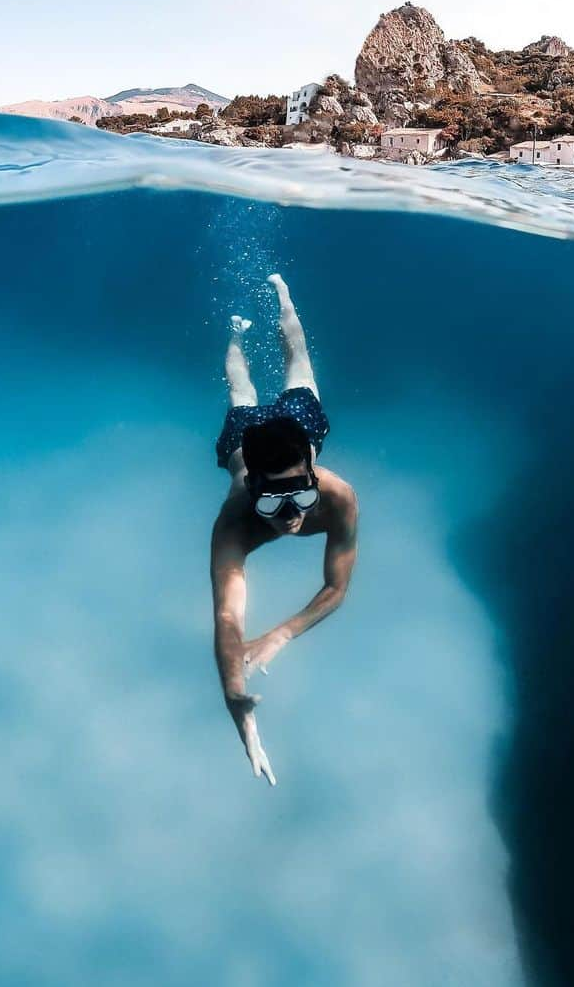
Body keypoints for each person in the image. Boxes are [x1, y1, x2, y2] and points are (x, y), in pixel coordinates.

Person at [210, 273, 359, 785]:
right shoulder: (235, 522)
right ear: (252, 491)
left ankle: (284, 299)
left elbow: (338, 586)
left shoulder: (335, 495)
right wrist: (236, 701)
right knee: (240, 387)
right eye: (274, 499)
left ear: (313, 475)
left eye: (301, 492)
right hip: (247, 441)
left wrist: (281, 634)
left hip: (297, 425)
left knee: (298, 359)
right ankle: (234, 334)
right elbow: (228, 620)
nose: (293, 513)